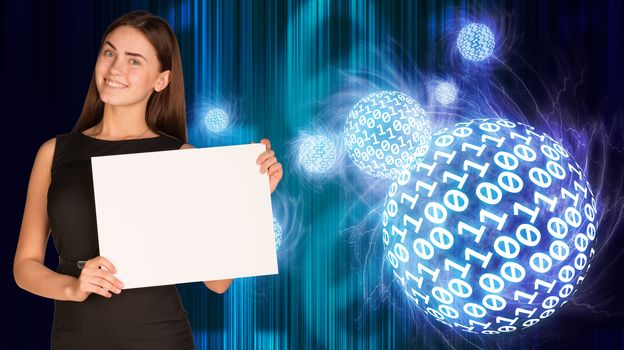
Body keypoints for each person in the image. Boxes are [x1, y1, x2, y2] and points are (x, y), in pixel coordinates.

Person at [12, 10, 283, 349]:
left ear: (162, 80)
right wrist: (73, 287)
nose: (115, 69)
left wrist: (253, 197)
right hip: (75, 337)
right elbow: (24, 266)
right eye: (109, 52)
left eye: (134, 61)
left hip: (160, 336)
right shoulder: (53, 153)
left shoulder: (182, 156)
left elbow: (217, 282)